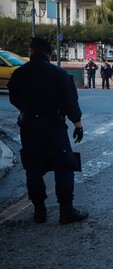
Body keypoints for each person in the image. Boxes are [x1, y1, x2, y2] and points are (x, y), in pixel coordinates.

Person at [7, 37, 88, 225]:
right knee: (65, 165)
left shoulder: (19, 73)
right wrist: (78, 124)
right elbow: (70, 103)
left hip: (28, 126)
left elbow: (13, 98)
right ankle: (66, 210)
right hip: (54, 125)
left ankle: (39, 211)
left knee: (33, 168)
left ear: (30, 51)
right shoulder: (59, 74)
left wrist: (28, 110)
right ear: (49, 54)